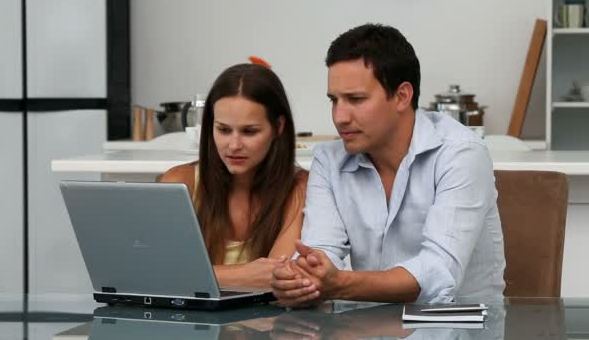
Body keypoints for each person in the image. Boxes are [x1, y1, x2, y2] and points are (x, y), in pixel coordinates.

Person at [270, 24, 505, 306]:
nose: (339, 116)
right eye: (334, 100)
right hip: (364, 327)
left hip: (457, 329)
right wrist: (302, 279)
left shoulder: (461, 152)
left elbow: (439, 272)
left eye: (356, 99)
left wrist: (339, 283)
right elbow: (320, 252)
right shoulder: (328, 159)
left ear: (402, 96)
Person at [160, 63, 308, 288]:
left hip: (269, 322)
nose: (234, 145)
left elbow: (279, 277)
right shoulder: (180, 183)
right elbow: (155, 276)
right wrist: (244, 275)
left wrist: (197, 277)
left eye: (250, 131)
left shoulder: (299, 187)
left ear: (278, 127)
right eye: (223, 130)